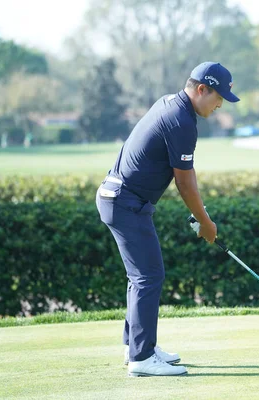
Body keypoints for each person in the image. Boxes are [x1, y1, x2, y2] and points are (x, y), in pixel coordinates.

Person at [95, 62, 240, 377]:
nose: (220, 105)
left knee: (142, 276)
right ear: (202, 89)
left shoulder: (170, 105)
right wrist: (206, 222)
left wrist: (199, 214)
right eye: (219, 98)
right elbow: (184, 182)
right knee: (149, 276)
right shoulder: (181, 121)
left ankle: (137, 345)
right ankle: (142, 358)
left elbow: (184, 172)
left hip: (123, 199)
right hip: (125, 202)